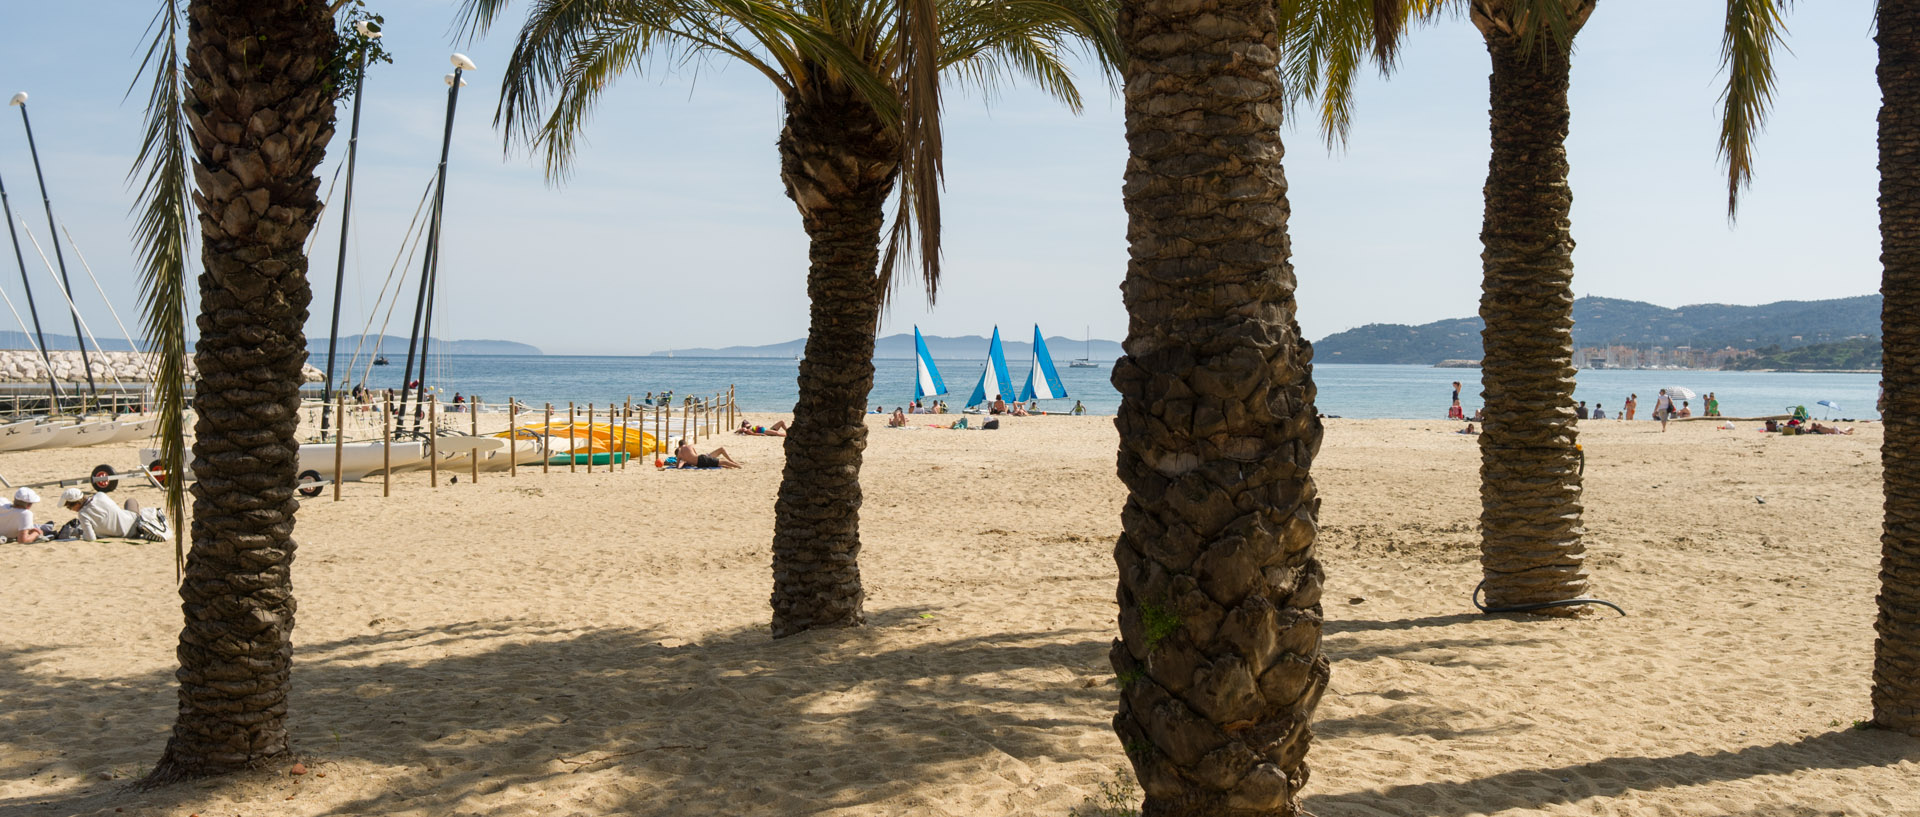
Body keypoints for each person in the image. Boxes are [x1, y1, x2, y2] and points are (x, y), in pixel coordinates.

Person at [61, 487, 143, 541]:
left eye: (70, 508)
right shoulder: (101, 495)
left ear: (77, 503)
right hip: (134, 523)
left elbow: (90, 538)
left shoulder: (83, 514)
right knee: (131, 501)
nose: (71, 510)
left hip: (128, 534)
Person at [674, 439, 742, 469]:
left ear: (679, 446)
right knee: (722, 462)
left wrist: (684, 461)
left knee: (719, 463)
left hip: (699, 464)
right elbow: (696, 454)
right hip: (701, 459)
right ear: (685, 444)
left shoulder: (679, 454)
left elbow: (677, 466)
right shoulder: (690, 446)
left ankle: (735, 465)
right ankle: (738, 466)